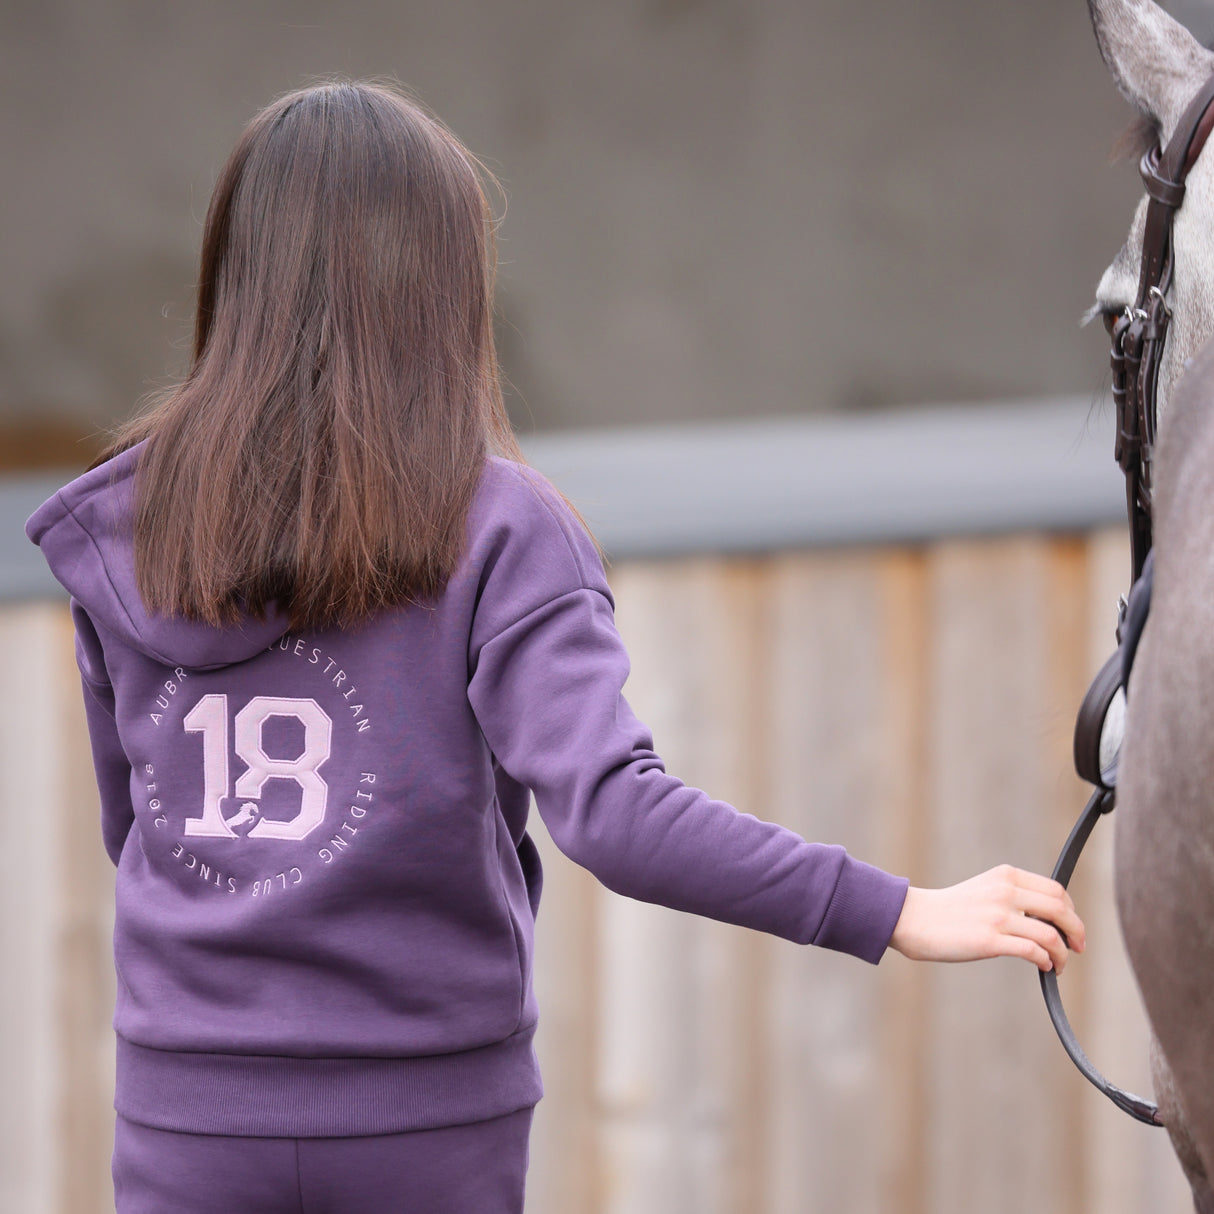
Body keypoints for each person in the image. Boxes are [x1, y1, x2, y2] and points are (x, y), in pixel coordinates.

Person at [27, 81, 1084, 1214]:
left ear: (232, 276)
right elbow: (616, 816)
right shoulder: (497, 522)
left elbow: (139, 824)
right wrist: (893, 907)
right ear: (440, 286)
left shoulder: (125, 520)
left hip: (188, 1112)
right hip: (424, 1120)